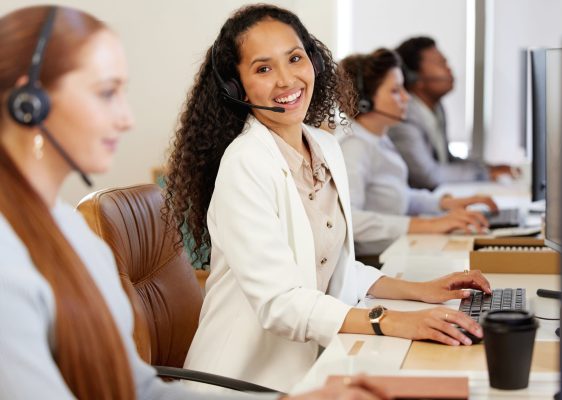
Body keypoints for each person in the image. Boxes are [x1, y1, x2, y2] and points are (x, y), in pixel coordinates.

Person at [0, 5, 387, 400]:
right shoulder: (9, 260)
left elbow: (140, 388)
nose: (126, 118)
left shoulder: (69, 233)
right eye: (105, 92)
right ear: (27, 102)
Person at [164, 4, 492, 393]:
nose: (287, 80)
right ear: (238, 86)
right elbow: (280, 302)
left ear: (314, 62)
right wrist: (389, 319)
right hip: (242, 380)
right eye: (263, 68)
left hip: (312, 368)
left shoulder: (323, 146)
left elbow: (333, 270)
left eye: (295, 58)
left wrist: (421, 289)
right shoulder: (245, 164)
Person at [336, 49, 499, 256]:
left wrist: (445, 204)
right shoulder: (354, 146)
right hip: (375, 261)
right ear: (364, 100)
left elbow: (394, 196)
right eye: (395, 91)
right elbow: (350, 220)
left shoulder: (377, 137)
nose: (406, 97)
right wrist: (429, 224)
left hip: (396, 249)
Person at [387, 36, 515, 190]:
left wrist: (487, 168)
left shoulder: (436, 109)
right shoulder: (404, 115)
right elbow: (427, 175)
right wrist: (484, 174)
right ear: (415, 77)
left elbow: (445, 160)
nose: (449, 70)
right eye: (441, 63)